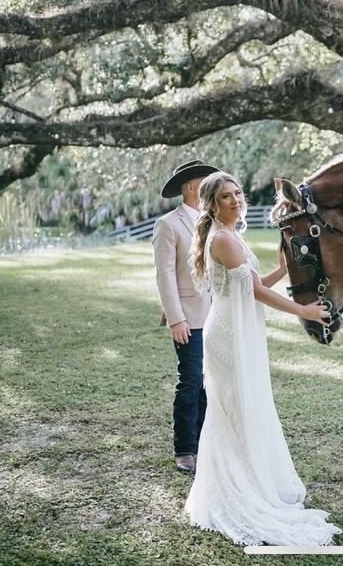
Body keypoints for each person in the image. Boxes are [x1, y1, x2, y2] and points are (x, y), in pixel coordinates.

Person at [183, 171, 341, 546]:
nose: (236, 200)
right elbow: (254, 292)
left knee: (245, 407)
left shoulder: (230, 234)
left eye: (237, 193)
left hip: (237, 327)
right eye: (226, 196)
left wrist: (283, 270)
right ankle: (238, 489)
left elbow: (250, 286)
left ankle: (251, 477)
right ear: (212, 204)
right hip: (228, 335)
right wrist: (305, 312)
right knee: (235, 409)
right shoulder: (224, 238)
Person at [153, 159, 219, 474]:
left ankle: (205, 443)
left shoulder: (213, 221)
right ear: (192, 187)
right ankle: (185, 449)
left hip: (218, 316)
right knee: (191, 381)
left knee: (211, 383)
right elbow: (164, 275)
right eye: (207, 183)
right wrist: (175, 318)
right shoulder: (168, 224)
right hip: (188, 318)